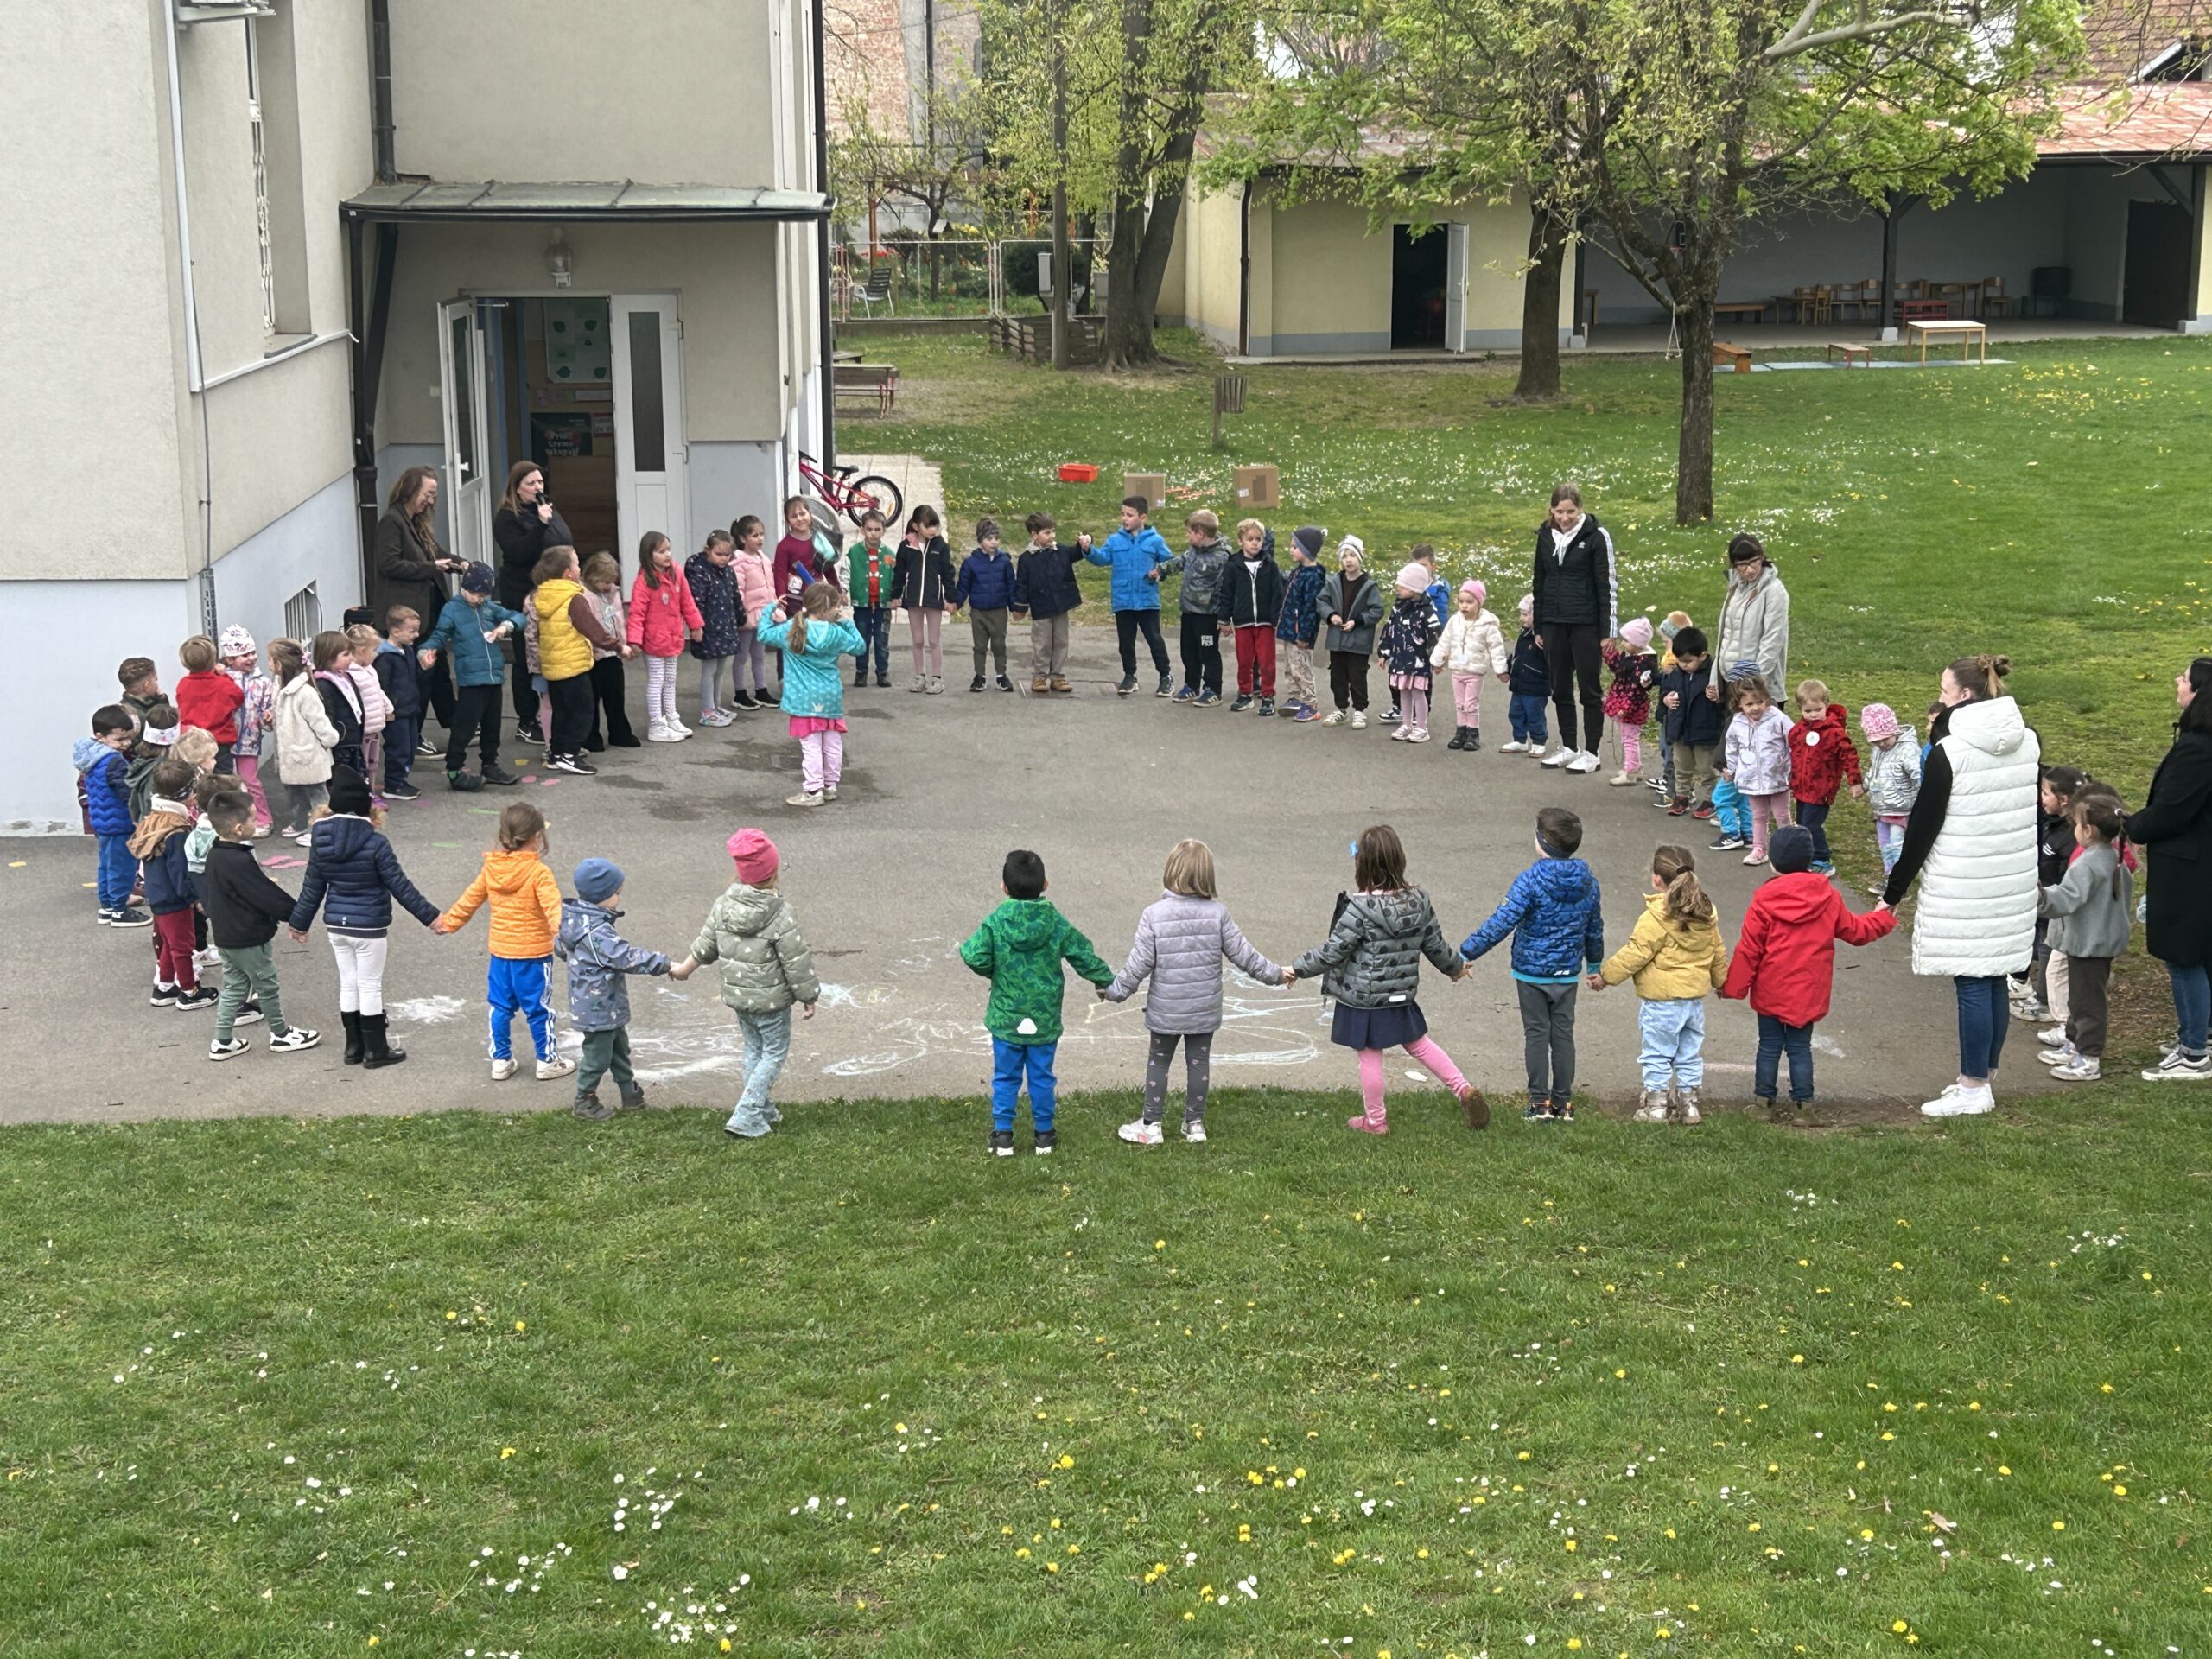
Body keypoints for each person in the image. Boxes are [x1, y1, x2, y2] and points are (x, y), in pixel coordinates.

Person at [1880, 653, 2041, 1118]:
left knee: (1972, 980)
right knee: (1993, 976)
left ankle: (1973, 1087)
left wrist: (1894, 892)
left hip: (1964, 880)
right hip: (2009, 878)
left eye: (1944, 690)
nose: (1939, 697)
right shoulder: (2028, 740)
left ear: (1964, 695)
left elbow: (1923, 827)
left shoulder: (1949, 752)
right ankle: (1982, 1076)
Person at [1289, 824, 1481, 1134]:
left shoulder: (1359, 909)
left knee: (1369, 1056)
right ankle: (1463, 1089)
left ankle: (1376, 1121)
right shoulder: (1419, 901)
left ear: (1362, 865)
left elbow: (1331, 952)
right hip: (1401, 994)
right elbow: (1435, 945)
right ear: (1399, 860)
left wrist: (1297, 969)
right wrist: (1456, 967)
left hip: (1364, 1000)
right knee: (1419, 1044)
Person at [1105, 839, 1283, 1147]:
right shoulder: (1218, 914)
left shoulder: (1154, 915)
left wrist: (1113, 991)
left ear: (1170, 871)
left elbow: (1138, 965)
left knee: (1159, 1061)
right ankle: (1195, 1124)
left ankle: (1152, 1124)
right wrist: (1277, 974)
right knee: (1199, 1062)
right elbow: (1246, 956)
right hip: (1204, 1009)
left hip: (1166, 1010)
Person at [1719, 823, 1895, 1116]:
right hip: (1808, 990)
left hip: (1771, 987)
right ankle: (1804, 1106)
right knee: (1800, 1047)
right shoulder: (1828, 897)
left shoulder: (1764, 900)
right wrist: (1883, 918)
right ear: (1809, 859)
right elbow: (1856, 931)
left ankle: (1763, 1102)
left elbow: (1749, 949)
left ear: (1774, 862)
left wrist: (1732, 987)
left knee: (1769, 1044)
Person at [960, 849, 1115, 1156]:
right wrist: (1105, 980)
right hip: (1043, 1016)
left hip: (1007, 1016)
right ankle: (1044, 1135)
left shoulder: (997, 921)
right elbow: (1081, 953)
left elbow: (973, 954)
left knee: (1006, 1076)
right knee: (1042, 1076)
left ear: (1004, 887)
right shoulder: (1054, 922)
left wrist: (995, 970)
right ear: (1045, 884)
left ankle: (1003, 1136)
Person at [287, 765, 439, 1067]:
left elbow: (312, 886)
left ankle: (353, 1046)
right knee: (369, 985)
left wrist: (299, 923)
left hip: (336, 926)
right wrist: (431, 917)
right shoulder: (376, 843)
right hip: (369, 926)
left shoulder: (320, 839)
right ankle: (376, 1050)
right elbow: (400, 886)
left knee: (348, 983)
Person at [1459, 806, 1605, 1122]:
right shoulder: (1588, 883)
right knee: (1563, 1035)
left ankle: (1539, 1102)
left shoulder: (1530, 880)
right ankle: (1563, 1103)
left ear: (1543, 842)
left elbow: (1502, 921)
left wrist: (1467, 952)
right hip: (1567, 973)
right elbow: (1594, 928)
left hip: (1531, 973)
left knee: (1537, 1034)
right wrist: (1594, 965)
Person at [684, 828, 818, 1138]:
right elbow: (796, 962)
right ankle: (746, 1114)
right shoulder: (780, 913)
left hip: (739, 998)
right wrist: (808, 995)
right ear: (773, 872)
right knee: (773, 1053)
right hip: (771, 1003)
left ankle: (763, 1108)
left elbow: (705, 946)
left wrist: (684, 969)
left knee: (754, 1049)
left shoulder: (723, 905)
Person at [433, 800, 574, 1083]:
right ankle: (547, 1061)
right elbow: (553, 907)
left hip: (501, 954)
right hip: (533, 956)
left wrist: (449, 922)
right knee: (539, 1010)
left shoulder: (492, 868)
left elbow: (470, 899)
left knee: (500, 1008)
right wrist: (566, 934)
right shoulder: (539, 872)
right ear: (537, 837)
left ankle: (500, 1060)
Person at [1591, 845, 1726, 1123]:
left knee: (1657, 1053)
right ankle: (1689, 1105)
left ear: (1656, 879)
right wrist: (1721, 982)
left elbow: (1634, 954)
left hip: (1661, 1002)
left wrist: (1605, 977)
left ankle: (1656, 1105)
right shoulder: (1706, 914)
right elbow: (1717, 951)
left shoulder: (1655, 917)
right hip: (1693, 1002)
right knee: (1689, 1053)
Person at [2123, 658, 2212, 1082]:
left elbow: (2172, 810)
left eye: (2185, 678)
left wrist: (2131, 826)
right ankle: (2203, 1037)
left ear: (2199, 693)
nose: (2178, 681)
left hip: (2189, 869)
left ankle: (2193, 1052)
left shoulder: (2198, 749)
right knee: (2203, 954)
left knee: (2183, 955)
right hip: (2198, 863)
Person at [200, 794, 320, 1061]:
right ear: (238, 828)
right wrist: (296, 916)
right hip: (248, 937)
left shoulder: (216, 854)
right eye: (253, 819)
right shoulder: (238, 861)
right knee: (267, 985)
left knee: (234, 986)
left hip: (227, 937)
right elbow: (264, 893)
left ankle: (222, 1041)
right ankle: (280, 1034)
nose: (256, 823)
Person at [556, 856, 673, 1120]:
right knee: (597, 1057)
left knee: (620, 1049)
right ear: (602, 896)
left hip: (606, 1005)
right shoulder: (596, 932)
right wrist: (665, 964)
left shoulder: (574, 922)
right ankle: (584, 1101)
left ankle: (629, 1093)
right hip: (596, 1009)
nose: (619, 898)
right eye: (617, 893)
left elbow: (561, 948)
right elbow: (625, 956)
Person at [2035, 794, 2131, 1083]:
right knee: (2079, 999)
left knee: (2087, 1003)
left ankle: (2089, 1058)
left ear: (2088, 830)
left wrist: (2039, 895)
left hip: (2089, 945)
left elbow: (2066, 899)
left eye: (2076, 824)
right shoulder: (2113, 858)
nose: (2074, 829)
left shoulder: (2088, 864)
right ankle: (2075, 1044)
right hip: (2096, 943)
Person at [371, 465, 464, 733]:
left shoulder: (415, 521)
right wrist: (431, 568)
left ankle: (454, 723)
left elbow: (436, 552)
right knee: (420, 675)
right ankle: (415, 734)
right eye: (428, 494)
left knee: (439, 668)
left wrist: (461, 564)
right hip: (408, 613)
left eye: (434, 495)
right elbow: (389, 564)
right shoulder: (392, 521)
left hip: (428, 610)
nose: (431, 501)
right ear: (410, 490)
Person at [1530, 483, 1616, 774]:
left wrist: (1608, 630)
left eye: (1570, 511)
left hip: (1585, 623)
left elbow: (1607, 584)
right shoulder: (1545, 535)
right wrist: (1539, 625)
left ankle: (1592, 752)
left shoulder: (1596, 536)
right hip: (1554, 622)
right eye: (1559, 512)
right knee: (1560, 688)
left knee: (1589, 689)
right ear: (1551, 510)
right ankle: (1569, 746)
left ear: (1580, 509)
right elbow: (1539, 581)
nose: (1565, 518)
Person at [757, 582, 864, 808]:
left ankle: (813, 789)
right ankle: (830, 785)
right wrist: (846, 622)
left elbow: (763, 634)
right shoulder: (836, 633)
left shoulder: (792, 629)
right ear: (827, 609)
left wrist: (769, 609)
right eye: (836, 606)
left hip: (802, 697)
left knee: (811, 744)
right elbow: (859, 647)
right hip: (830, 695)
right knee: (832, 740)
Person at [419, 562, 524, 791]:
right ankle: (455, 770)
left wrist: (505, 627)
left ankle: (490, 764)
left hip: (493, 676)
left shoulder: (488, 607)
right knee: (464, 727)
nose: (478, 599)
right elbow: (439, 635)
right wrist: (427, 650)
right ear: (464, 587)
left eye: (483, 594)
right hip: (471, 679)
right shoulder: (452, 609)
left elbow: (519, 617)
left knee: (492, 726)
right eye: (474, 593)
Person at [493, 462, 573, 740]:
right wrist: (540, 525)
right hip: (521, 592)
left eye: (540, 482)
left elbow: (563, 539)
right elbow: (519, 552)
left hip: (552, 591)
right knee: (525, 656)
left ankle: (549, 711)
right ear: (517, 488)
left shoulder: (545, 507)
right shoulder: (506, 518)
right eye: (531, 483)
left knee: (550, 651)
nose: (538, 487)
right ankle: (526, 720)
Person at [532, 543, 625, 776]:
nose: (579, 568)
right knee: (583, 710)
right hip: (572, 665)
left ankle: (557, 753)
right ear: (568, 573)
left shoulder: (545, 595)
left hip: (553, 665)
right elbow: (592, 630)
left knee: (562, 710)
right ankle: (570, 753)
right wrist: (617, 645)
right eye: (576, 563)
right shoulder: (574, 598)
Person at [131, 758, 212, 1008]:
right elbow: (181, 872)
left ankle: (164, 987)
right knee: (183, 946)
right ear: (184, 794)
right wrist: (194, 898)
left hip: (158, 895)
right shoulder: (177, 830)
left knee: (169, 942)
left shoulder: (153, 820)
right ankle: (189, 991)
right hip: (174, 898)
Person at [1080, 495, 1173, 698]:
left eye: (1130, 515)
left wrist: (1159, 571)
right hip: (1123, 600)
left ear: (1143, 517)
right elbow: (1102, 558)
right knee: (1125, 643)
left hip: (1147, 601)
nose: (1125, 518)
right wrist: (1088, 549)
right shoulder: (1115, 540)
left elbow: (1169, 562)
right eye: (1123, 514)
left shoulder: (1155, 540)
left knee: (1154, 640)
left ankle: (1165, 676)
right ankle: (1130, 676)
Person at [2021, 766, 2088, 1023]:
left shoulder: (2071, 834)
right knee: (2041, 945)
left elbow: (2070, 872)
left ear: (2064, 800)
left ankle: (2045, 1002)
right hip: (2043, 897)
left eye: (2045, 793)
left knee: (2049, 949)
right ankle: (2040, 995)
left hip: (2056, 903)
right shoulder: (2050, 822)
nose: (2040, 798)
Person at [628, 531, 704, 741]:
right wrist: (634, 640)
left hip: (672, 638)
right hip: (654, 642)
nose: (667, 555)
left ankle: (671, 717)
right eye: (661, 551)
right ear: (648, 555)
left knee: (670, 680)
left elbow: (687, 601)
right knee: (657, 681)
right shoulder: (644, 581)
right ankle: (656, 724)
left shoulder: (676, 573)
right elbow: (636, 613)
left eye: (668, 550)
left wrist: (695, 625)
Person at [1155, 507, 1232, 707]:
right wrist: (1161, 570)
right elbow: (1180, 561)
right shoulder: (1194, 551)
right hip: (1189, 612)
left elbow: (1227, 589)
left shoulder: (1222, 558)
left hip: (1208, 616)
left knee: (1208, 651)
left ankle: (1213, 689)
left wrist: (1225, 618)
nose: (1187, 536)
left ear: (1201, 533)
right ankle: (1191, 685)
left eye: (1189, 532)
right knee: (1188, 651)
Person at [1787, 679, 1864, 876]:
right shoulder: (1798, 731)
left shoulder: (1834, 732)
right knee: (1802, 823)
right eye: (1808, 711)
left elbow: (1849, 755)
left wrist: (1855, 780)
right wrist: (1791, 779)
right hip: (1802, 787)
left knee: (1812, 824)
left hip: (1822, 788)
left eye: (1818, 709)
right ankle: (1808, 855)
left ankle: (1823, 858)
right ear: (1800, 709)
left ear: (1826, 704)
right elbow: (1794, 755)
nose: (1813, 715)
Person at [78, 706, 146, 925]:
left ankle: (107, 906)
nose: (126, 743)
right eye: (120, 739)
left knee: (106, 866)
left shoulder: (91, 759)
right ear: (100, 736)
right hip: (119, 822)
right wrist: (139, 812)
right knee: (123, 867)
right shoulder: (114, 761)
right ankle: (119, 910)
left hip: (103, 822)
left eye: (128, 738)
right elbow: (127, 793)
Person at [1720, 675, 1795, 867]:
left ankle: (1788, 849)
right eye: (1749, 704)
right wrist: (1731, 768)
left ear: (1767, 700)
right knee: (1758, 816)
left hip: (1777, 777)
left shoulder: (1778, 718)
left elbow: (1794, 741)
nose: (1755, 708)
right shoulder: (1737, 723)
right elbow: (1732, 747)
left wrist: (1792, 767)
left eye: (1760, 702)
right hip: (1751, 779)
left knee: (1782, 815)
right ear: (1739, 705)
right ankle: (1759, 849)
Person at [270, 638, 337, 842]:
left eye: (270, 660)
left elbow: (319, 722)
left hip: (308, 755)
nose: (268, 664)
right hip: (291, 755)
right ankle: (301, 823)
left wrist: (330, 740)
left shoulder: (305, 693)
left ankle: (323, 830)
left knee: (317, 795)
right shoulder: (280, 688)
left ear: (279, 664)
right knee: (295, 793)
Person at [1432, 578, 1509, 753]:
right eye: (1461, 602)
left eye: (1469, 602)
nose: (1464, 606)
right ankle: (1461, 732)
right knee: (1459, 703)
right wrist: (1437, 662)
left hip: (1475, 671)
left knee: (1471, 703)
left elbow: (1496, 648)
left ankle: (1473, 734)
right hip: (1457, 670)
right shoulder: (1455, 621)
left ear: (1479, 603)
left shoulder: (1488, 625)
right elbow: (1445, 642)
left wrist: (1501, 670)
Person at [1714, 531, 1790, 703]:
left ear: (1762, 557)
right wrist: (1715, 679)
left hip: (1758, 689)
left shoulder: (1774, 591)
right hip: (1731, 682)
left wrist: (1755, 684)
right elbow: (1725, 635)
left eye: (1754, 561)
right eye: (1742, 564)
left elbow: (1772, 640)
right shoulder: (1735, 587)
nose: (1749, 569)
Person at [1014, 511, 1084, 695]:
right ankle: (1039, 676)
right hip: (1041, 608)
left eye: (1053, 531)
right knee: (1042, 643)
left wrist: (1084, 544)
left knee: (1061, 642)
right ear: (1034, 535)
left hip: (1061, 605)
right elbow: (1022, 584)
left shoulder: (1061, 551)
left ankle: (1057, 676)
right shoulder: (1026, 559)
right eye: (1047, 532)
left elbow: (1077, 553)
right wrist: (1020, 608)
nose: (1052, 536)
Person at [1658, 625, 1724, 817]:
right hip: (1680, 730)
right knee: (1681, 767)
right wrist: (1665, 699)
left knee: (1707, 769)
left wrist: (1718, 697)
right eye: (1680, 661)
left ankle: (1713, 800)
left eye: (1688, 661)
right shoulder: (1677, 672)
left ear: (1702, 656)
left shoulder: (1714, 673)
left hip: (1705, 731)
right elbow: (1665, 689)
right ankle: (1682, 796)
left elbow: (1726, 700)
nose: (1684, 665)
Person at [1319, 536, 1384, 729]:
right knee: (1337, 676)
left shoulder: (1369, 585)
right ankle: (1341, 708)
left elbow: (1377, 610)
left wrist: (1358, 621)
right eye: (1345, 556)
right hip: (1337, 639)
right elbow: (1321, 601)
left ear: (1360, 558)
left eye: (1353, 555)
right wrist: (1331, 615)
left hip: (1358, 641)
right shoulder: (1333, 582)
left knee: (1357, 675)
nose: (1349, 560)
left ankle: (1359, 710)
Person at [893, 505, 957, 695]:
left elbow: (948, 574)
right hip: (914, 600)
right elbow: (899, 573)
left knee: (934, 640)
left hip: (933, 600)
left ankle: (937, 678)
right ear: (916, 526)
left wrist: (951, 599)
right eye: (928, 525)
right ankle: (919, 676)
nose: (933, 530)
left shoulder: (941, 546)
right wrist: (895, 595)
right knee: (918, 640)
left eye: (935, 525)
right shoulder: (906, 546)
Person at [1222, 520, 1283, 715]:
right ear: (1241, 541)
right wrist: (1224, 620)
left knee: (1267, 662)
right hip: (1243, 622)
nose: (1255, 543)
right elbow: (1226, 594)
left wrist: (1276, 620)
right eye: (1250, 539)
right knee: (1244, 661)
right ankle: (1245, 694)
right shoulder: (1233, 566)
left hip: (1265, 623)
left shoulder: (1270, 565)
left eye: (1258, 539)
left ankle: (1268, 696)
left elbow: (1277, 594)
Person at [578, 551, 639, 750]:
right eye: (604, 582)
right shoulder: (583, 595)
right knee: (591, 699)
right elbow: (588, 626)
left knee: (615, 697)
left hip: (613, 653)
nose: (608, 586)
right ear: (592, 576)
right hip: (593, 655)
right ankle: (590, 736)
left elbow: (618, 620)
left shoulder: (613, 593)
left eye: (611, 581)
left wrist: (624, 643)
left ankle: (619, 732)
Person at [219, 626, 277, 832]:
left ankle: (263, 819)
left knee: (250, 781)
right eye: (244, 655)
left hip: (249, 740)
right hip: (225, 739)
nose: (251, 658)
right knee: (227, 782)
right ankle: (231, 820)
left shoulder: (263, 683)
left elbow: (268, 709)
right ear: (230, 659)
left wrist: (268, 717)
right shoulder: (222, 679)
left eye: (253, 652)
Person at [686, 528, 746, 723]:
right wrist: (697, 626)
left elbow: (735, 596)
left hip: (725, 627)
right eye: (719, 554)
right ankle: (707, 710)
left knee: (720, 670)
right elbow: (696, 602)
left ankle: (716, 705)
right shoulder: (698, 571)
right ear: (707, 550)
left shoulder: (728, 572)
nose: (723, 559)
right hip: (708, 629)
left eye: (727, 555)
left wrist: (741, 616)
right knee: (709, 670)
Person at [1379, 561, 1443, 743]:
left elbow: (1435, 635)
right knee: (1403, 692)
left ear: (1415, 589)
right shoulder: (1397, 608)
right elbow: (1389, 630)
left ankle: (1421, 727)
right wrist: (1384, 652)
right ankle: (1406, 724)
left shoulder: (1427, 610)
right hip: (1400, 659)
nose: (1398, 588)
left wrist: (1437, 659)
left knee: (1418, 693)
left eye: (1403, 586)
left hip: (1419, 661)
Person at [953, 517, 1018, 692]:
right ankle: (979, 676)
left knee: (999, 644)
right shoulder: (971, 563)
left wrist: (1015, 608)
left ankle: (1001, 676)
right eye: (989, 538)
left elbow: (1011, 586)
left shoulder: (1004, 561)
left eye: (996, 538)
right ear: (980, 540)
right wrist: (956, 604)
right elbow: (963, 587)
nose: (994, 542)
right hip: (979, 612)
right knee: (979, 646)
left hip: (999, 611)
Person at [1859, 702, 1922, 880]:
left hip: (1900, 808)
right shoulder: (1878, 750)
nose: (1881, 744)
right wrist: (1865, 785)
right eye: (1876, 741)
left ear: (1893, 730)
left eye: (1884, 739)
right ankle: (1889, 875)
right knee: (1884, 843)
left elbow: (1918, 776)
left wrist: (1920, 800)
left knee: (1896, 843)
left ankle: (1899, 877)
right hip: (1882, 807)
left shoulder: (1907, 750)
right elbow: (1874, 771)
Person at [840, 509, 899, 690]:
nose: (873, 533)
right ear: (862, 530)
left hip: (883, 604)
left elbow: (896, 577)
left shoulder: (889, 555)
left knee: (881, 640)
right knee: (862, 638)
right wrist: (843, 591)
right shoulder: (854, 552)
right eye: (869, 529)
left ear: (884, 531)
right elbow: (845, 572)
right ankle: (861, 671)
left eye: (877, 529)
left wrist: (896, 597)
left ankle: (882, 672)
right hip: (862, 604)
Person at [372, 608, 426, 802]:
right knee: (398, 748)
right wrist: (388, 709)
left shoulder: (408, 650)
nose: (417, 635)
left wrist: (424, 668)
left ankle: (401, 780)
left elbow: (414, 677)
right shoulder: (385, 657)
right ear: (395, 631)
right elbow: (383, 686)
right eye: (412, 631)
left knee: (410, 747)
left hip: (409, 708)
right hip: (395, 712)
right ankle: (393, 785)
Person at [1276, 526, 1328, 722]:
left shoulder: (1313, 577)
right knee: (1290, 668)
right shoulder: (1299, 571)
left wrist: (1304, 635)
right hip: (1290, 630)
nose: (1290, 550)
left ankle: (1310, 705)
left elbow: (1310, 610)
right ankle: (1297, 697)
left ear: (1306, 550)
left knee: (1301, 669)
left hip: (1300, 634)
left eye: (1295, 547)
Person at [175, 635, 245, 773]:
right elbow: (238, 697)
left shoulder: (183, 685)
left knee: (196, 777)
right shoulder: (222, 684)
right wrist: (224, 675)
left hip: (193, 742)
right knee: (223, 779)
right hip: (220, 742)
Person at [1600, 616, 1657, 785]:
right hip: (1626, 703)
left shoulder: (1642, 665)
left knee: (1629, 740)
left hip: (1632, 708)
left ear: (1637, 643)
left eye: (1626, 640)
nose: (1622, 643)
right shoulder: (1632, 658)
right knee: (1629, 738)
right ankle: (1635, 768)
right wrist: (1610, 653)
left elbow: (1636, 690)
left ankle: (1630, 772)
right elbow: (1619, 669)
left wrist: (1626, 708)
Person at [342, 623, 396, 802]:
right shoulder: (351, 674)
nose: (377, 654)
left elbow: (377, 691)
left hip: (375, 727)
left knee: (373, 763)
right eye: (374, 650)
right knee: (362, 765)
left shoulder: (369, 669)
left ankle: (370, 793)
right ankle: (362, 796)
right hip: (363, 729)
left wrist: (388, 707)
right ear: (363, 651)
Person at [730, 515, 776, 708]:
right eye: (755, 535)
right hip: (747, 616)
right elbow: (738, 590)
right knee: (742, 655)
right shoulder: (739, 562)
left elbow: (769, 585)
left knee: (759, 654)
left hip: (762, 615)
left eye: (761, 534)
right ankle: (740, 693)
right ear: (743, 538)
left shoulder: (763, 558)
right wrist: (740, 614)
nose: (760, 539)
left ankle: (761, 689)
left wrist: (773, 606)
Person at [310, 630, 366, 779]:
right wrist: (333, 738)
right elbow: (328, 714)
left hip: (352, 739)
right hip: (340, 744)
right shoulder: (323, 684)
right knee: (343, 780)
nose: (351, 658)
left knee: (356, 778)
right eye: (346, 654)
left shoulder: (344, 676)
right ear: (329, 656)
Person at [1500, 594, 1551, 755]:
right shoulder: (1524, 635)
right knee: (1515, 713)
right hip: (1519, 684)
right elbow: (1517, 655)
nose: (1521, 618)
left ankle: (1539, 741)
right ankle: (1520, 740)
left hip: (1536, 686)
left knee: (1535, 715)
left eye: (1525, 614)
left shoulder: (1544, 638)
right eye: (1521, 614)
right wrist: (1508, 668)